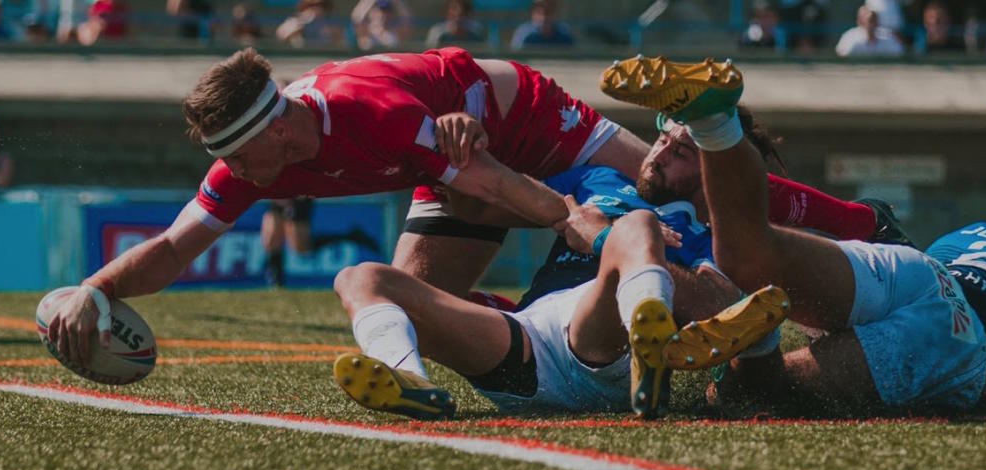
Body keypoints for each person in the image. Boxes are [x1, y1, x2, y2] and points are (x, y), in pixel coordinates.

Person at [42, 47, 649, 367]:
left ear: (278, 131)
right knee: (418, 315)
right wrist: (94, 289)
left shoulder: (369, 113)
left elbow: (491, 182)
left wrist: (586, 229)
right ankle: (532, 327)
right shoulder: (254, 162)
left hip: (530, 123)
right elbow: (175, 247)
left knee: (668, 182)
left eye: (240, 155)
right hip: (454, 167)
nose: (234, 171)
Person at [600, 56, 986, 415]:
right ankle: (752, 359)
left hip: (922, 271)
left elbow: (914, 272)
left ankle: (716, 124)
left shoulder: (978, 234)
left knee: (748, 252)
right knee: (761, 394)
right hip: (962, 342)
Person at [331, 111, 795, 419]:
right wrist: (461, 150)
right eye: (661, 139)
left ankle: (647, 349)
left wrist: (604, 239)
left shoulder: (716, 234)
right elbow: (479, 208)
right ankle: (410, 380)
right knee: (360, 277)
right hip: (528, 345)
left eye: (681, 153)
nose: (658, 155)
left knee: (637, 227)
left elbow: (725, 306)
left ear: (712, 171)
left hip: (604, 347)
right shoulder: (600, 179)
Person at [835, 5, 904, 58]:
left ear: (878, 22)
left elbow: (899, 54)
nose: (871, 25)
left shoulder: (887, 37)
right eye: (868, 21)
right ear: (859, 22)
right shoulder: (850, 37)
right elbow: (842, 55)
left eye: (874, 20)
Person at [275, 0, 344, 48]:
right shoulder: (295, 21)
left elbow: (341, 44)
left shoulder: (330, 23)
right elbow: (281, 37)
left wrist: (331, 33)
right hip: (300, 61)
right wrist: (302, 23)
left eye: (321, 5)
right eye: (311, 5)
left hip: (324, 58)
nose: (317, 8)